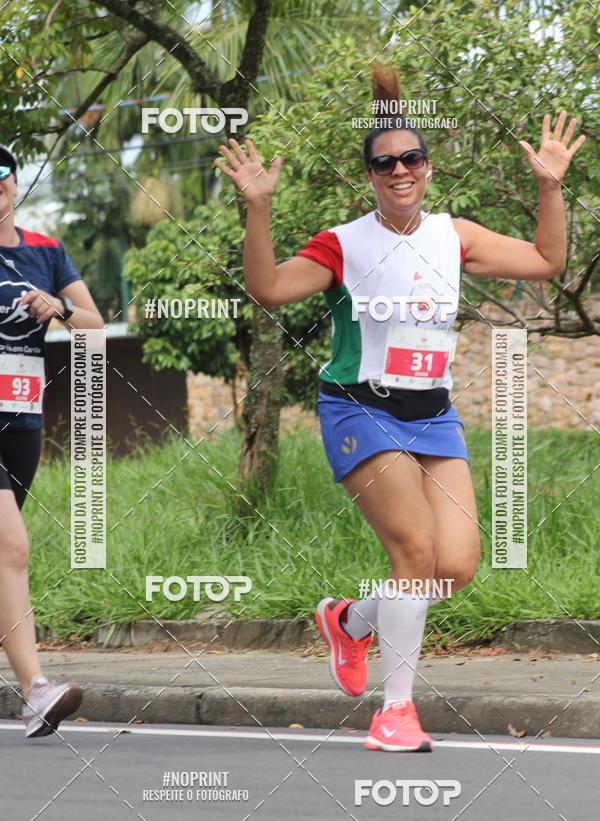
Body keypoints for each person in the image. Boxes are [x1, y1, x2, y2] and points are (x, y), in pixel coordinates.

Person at [215, 66, 585, 752]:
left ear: (429, 168)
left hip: (432, 415)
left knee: (456, 567)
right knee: (414, 550)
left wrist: (549, 185)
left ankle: (351, 621)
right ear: (371, 178)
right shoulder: (343, 244)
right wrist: (258, 208)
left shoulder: (456, 235)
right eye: (385, 164)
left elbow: (547, 260)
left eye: (411, 159)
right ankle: (397, 712)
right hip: (360, 410)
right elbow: (267, 288)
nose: (400, 170)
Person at [0, 145, 104, 737]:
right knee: (11, 546)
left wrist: (58, 305)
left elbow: (94, 322)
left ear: (14, 183)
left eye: (1, 173)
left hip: (23, 421)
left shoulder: (45, 251)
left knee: (2, 555)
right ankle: (36, 689)